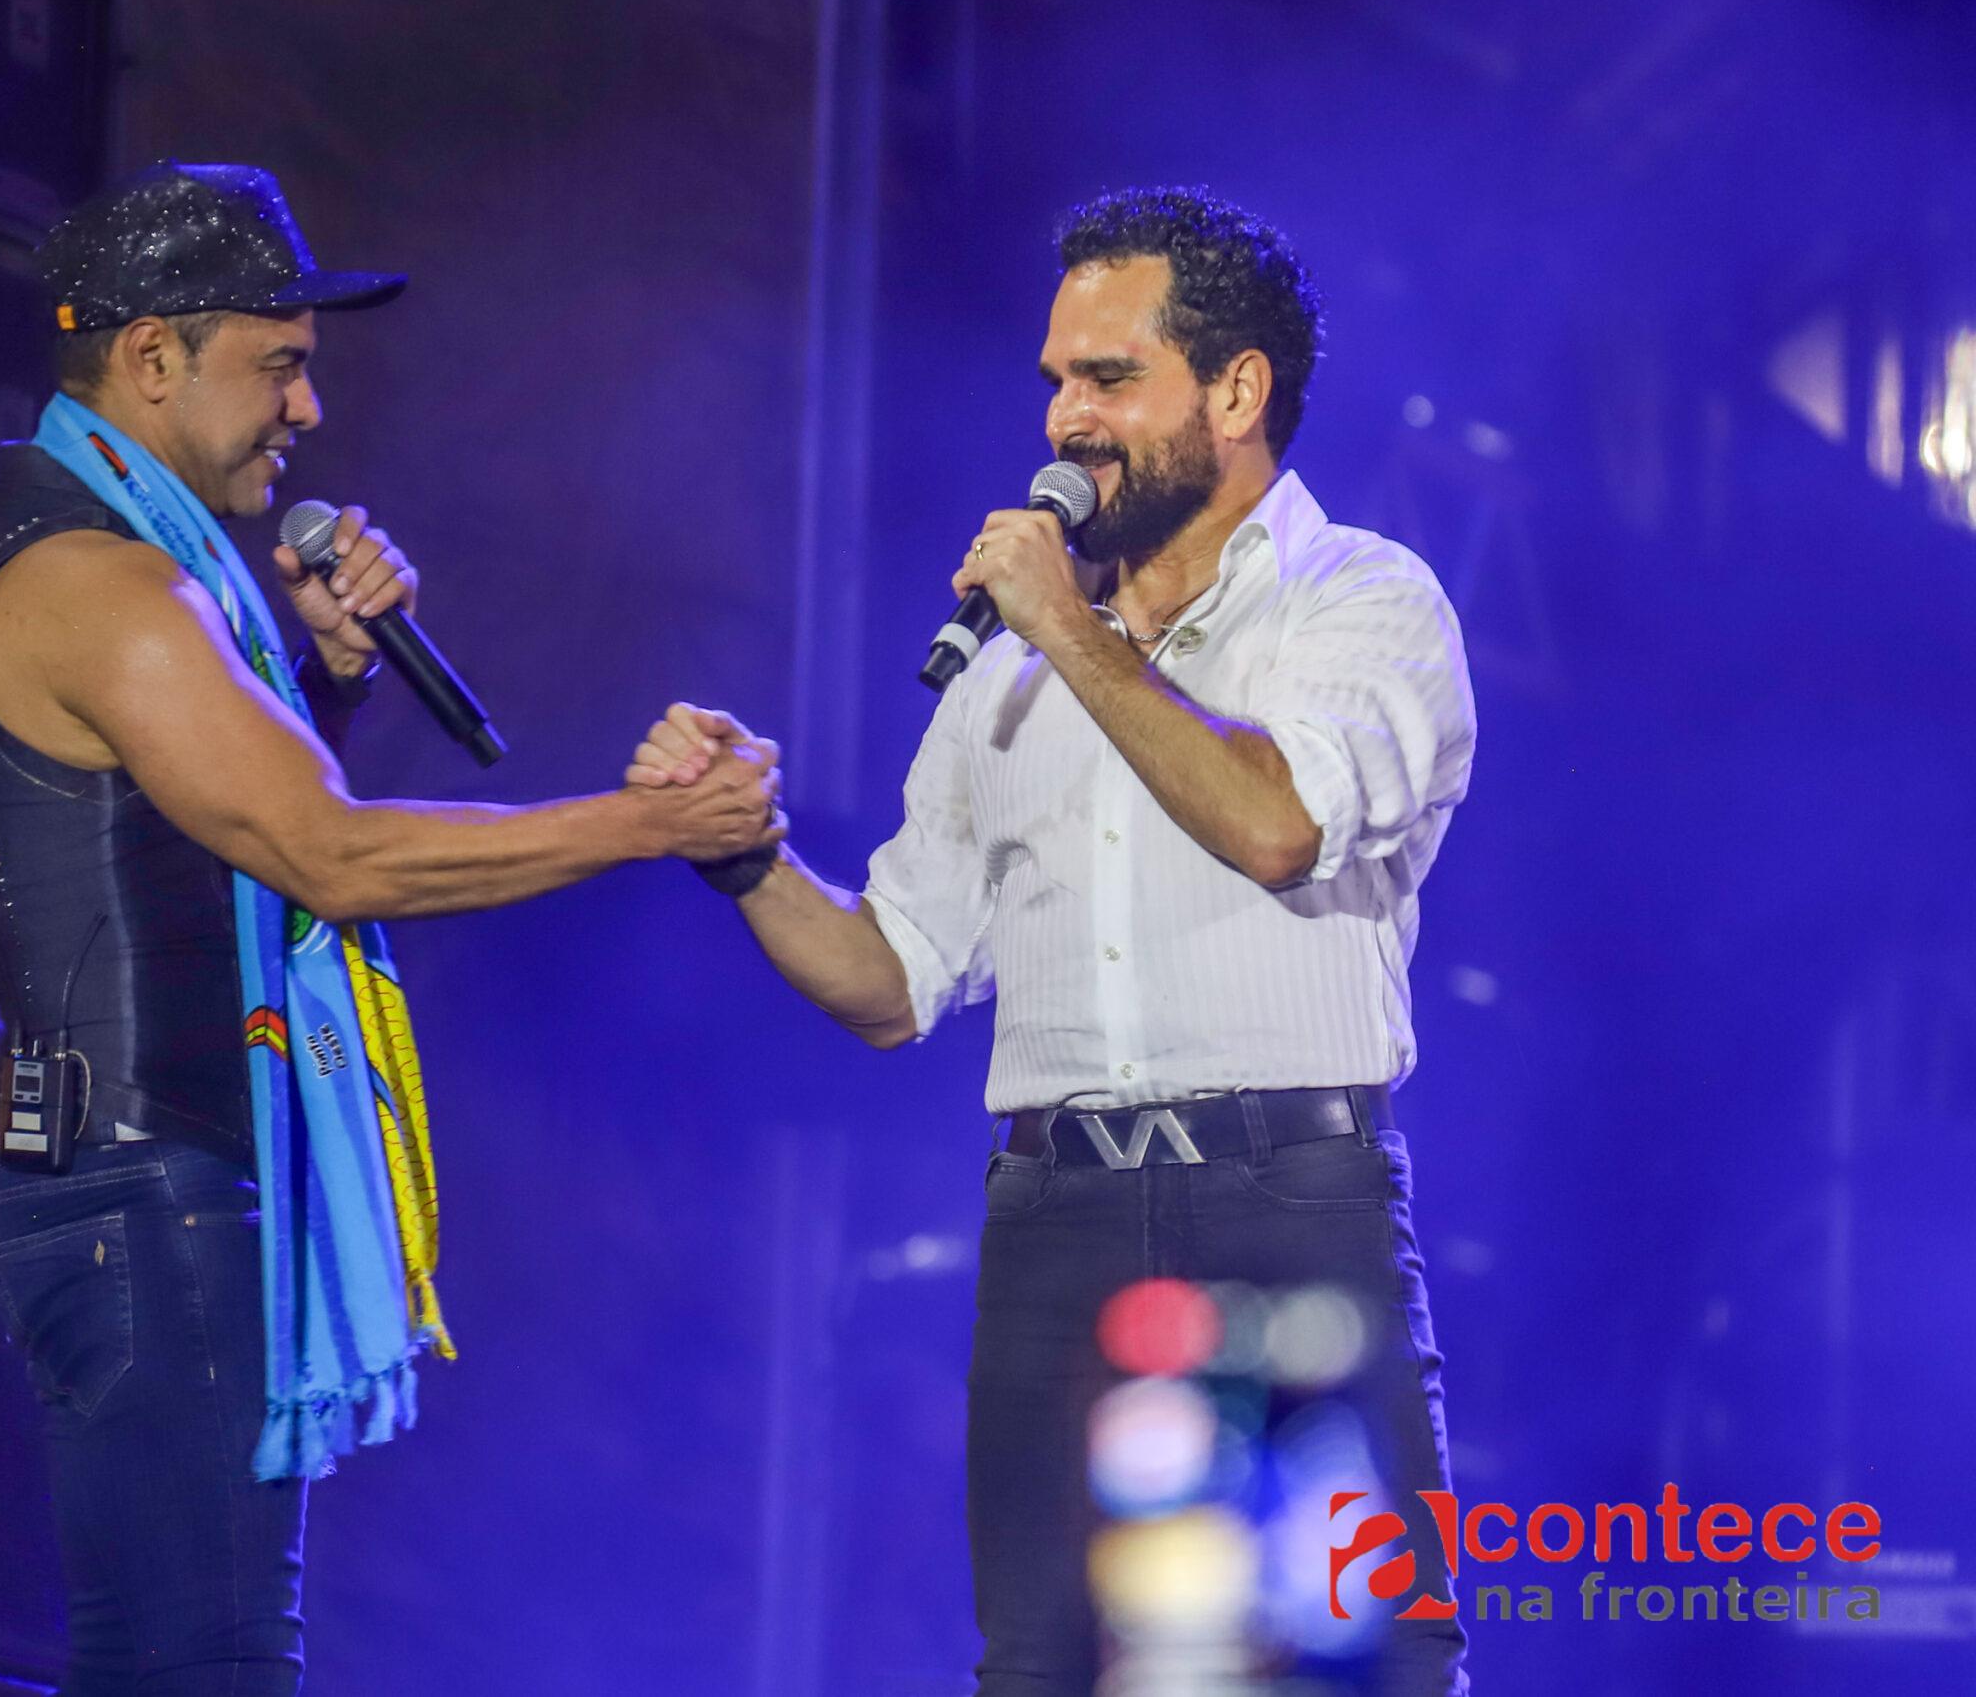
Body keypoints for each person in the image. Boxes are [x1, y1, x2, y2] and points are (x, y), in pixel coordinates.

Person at [0, 162, 780, 1696]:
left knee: (181, 1663)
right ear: (152, 358)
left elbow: (210, 842)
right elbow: (328, 856)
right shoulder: (104, 585)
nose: (307, 410)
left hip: (139, 1182)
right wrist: (650, 824)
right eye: (280, 365)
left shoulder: (137, 569)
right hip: (147, 1189)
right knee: (204, 1666)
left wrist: (327, 676)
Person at [631, 187, 1476, 1694]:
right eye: (1055, 379)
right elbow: (890, 980)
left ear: (1237, 391)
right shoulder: (1006, 678)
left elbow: (1276, 826)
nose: (1062, 420)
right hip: (1058, 1220)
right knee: (1042, 1665)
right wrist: (740, 854)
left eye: (1108, 378)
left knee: (1351, 1668)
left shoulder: (1363, 599)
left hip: (1290, 1205)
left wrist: (1071, 636)